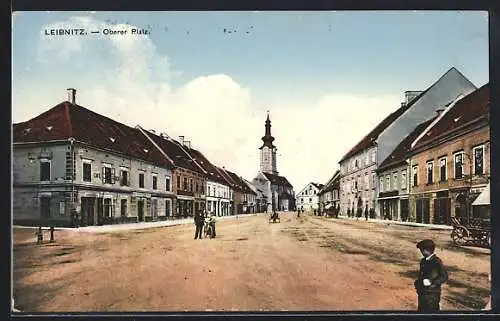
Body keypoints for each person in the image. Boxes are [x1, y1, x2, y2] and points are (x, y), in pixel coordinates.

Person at [414, 239, 448, 312]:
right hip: (423, 293)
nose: (421, 252)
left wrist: (432, 282)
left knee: (432, 313)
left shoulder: (436, 261)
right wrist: (418, 283)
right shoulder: (423, 261)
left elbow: (444, 276)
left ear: (426, 250)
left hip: (432, 294)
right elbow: (421, 275)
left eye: (421, 250)